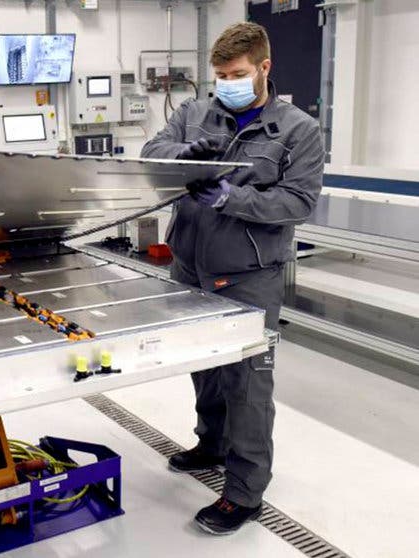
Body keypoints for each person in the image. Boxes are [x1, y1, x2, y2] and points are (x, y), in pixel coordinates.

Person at [141, 22, 324, 535]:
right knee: (203, 367)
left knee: (246, 383)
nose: (227, 83)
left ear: (264, 67)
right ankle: (212, 444)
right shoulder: (194, 113)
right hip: (189, 265)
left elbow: (299, 201)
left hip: (249, 274)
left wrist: (231, 198)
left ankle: (244, 491)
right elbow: (152, 154)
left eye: (237, 74)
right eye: (220, 75)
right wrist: (186, 157)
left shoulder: (298, 131)